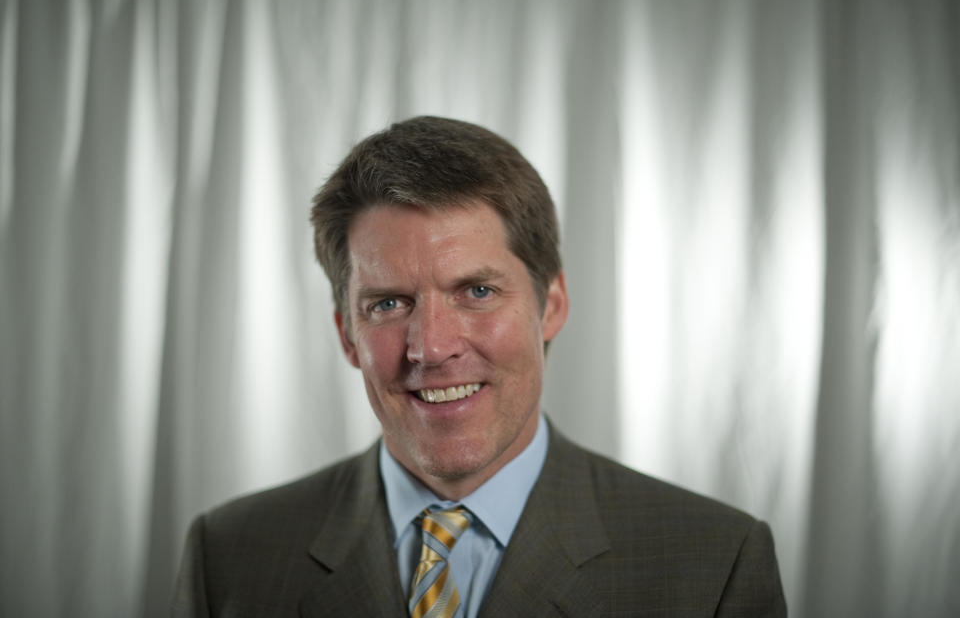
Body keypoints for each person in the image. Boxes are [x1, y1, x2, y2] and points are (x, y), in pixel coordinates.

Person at [172, 116, 787, 616]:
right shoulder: (228, 558)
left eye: (477, 292)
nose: (432, 348)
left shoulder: (713, 567)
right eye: (389, 303)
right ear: (348, 335)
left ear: (550, 307)